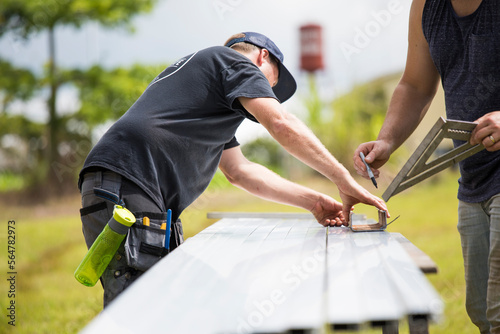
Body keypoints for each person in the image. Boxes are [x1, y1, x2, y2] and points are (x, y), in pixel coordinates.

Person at [79, 31, 388, 307]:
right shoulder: (231, 60)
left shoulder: (209, 96)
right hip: (127, 182)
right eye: (271, 83)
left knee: (162, 303)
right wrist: (344, 179)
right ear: (261, 56)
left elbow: (240, 171)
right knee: (140, 307)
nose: (267, 92)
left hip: (124, 183)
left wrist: (314, 202)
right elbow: (280, 122)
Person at [353, 1, 500, 332]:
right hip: (473, 182)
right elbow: (416, 86)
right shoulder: (426, 6)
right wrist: (387, 140)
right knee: (481, 313)